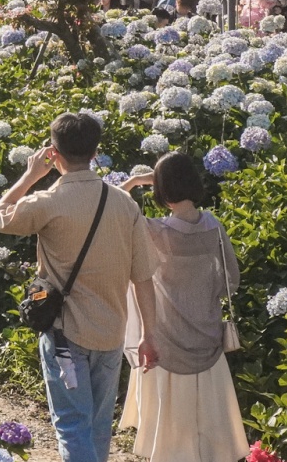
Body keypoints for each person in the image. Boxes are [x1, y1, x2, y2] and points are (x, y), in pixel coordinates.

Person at [0, 112, 159, 462]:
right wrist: (148, 335)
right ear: (95, 153)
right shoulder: (124, 203)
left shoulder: (48, 202)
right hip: (112, 332)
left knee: (71, 424)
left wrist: (31, 175)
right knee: (97, 424)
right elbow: (143, 277)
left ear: (53, 152)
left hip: (66, 335)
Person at [117, 154, 247, 462]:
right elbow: (232, 277)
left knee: (171, 408)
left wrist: (135, 181)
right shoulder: (212, 226)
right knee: (208, 405)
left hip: (166, 336)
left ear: (160, 190)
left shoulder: (156, 230)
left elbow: (117, 209)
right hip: (207, 331)